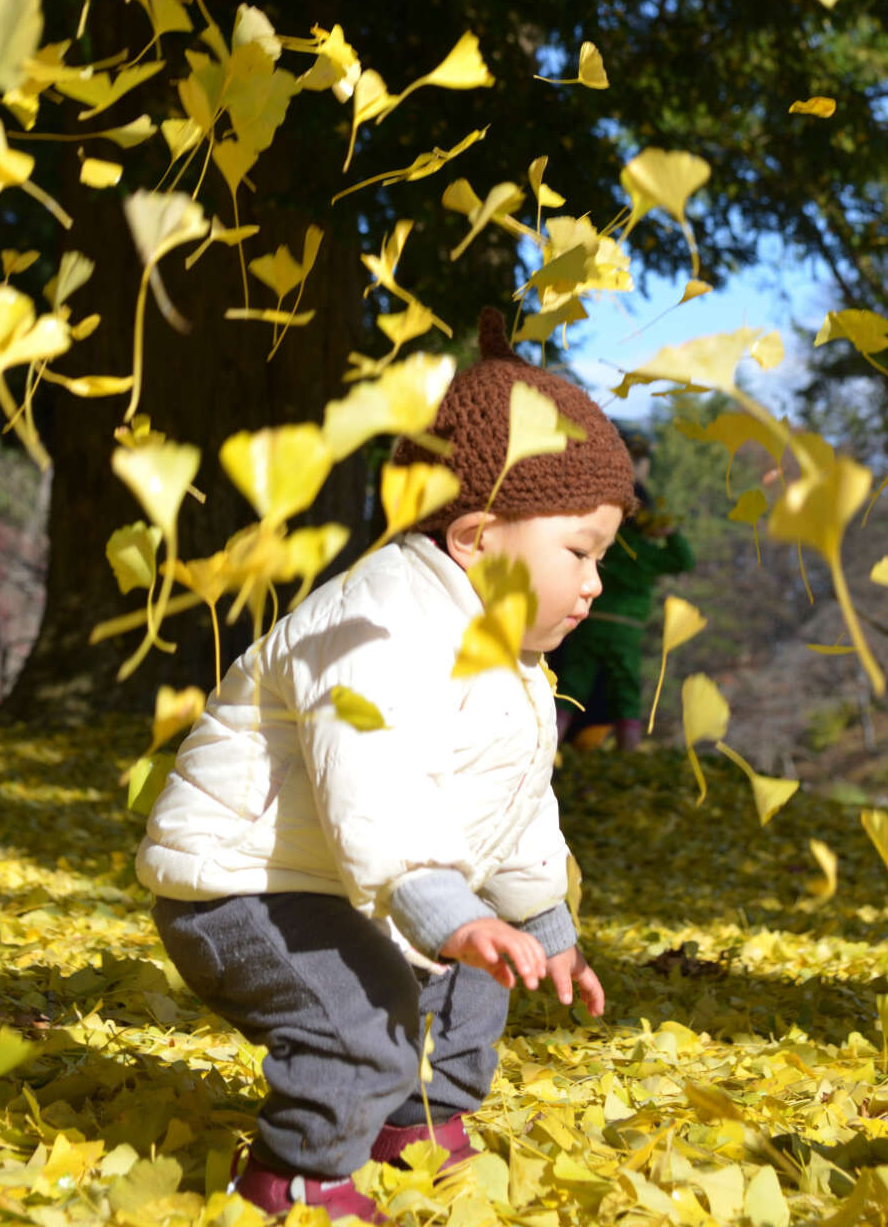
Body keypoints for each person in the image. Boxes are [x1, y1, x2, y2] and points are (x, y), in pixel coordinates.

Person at [136, 309, 637, 1220]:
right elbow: (372, 775)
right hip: (247, 885)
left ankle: (415, 1127)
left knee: (478, 979)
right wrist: (443, 906)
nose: (594, 583)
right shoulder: (376, 623)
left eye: (600, 557)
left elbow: (516, 799)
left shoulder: (506, 656)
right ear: (476, 536)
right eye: (578, 552)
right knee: (360, 1020)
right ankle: (295, 1179)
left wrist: (543, 920)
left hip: (364, 882)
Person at [549, 430, 694, 752]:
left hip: (589, 622)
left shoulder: (602, 545)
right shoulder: (645, 553)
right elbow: (684, 560)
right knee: (626, 695)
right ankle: (629, 760)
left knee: (570, 687)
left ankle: (548, 751)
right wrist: (669, 531)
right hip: (626, 631)